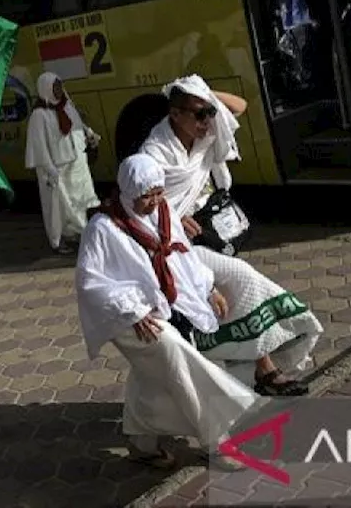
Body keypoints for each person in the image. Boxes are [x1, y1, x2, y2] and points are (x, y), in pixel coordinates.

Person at [77, 154, 260, 470]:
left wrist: (207, 287)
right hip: (129, 317)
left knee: (154, 372)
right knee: (178, 362)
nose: (153, 201)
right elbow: (90, 282)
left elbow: (183, 257)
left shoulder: (163, 212)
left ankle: (141, 442)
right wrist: (132, 311)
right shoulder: (103, 227)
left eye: (158, 192)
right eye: (145, 195)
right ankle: (216, 441)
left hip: (165, 304)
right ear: (128, 191)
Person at [142, 75, 322, 396]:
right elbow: (138, 202)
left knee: (233, 294)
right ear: (175, 114)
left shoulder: (203, 132)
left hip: (206, 232)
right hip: (171, 244)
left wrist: (203, 95)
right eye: (198, 114)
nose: (208, 121)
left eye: (210, 112)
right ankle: (254, 374)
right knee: (242, 279)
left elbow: (240, 106)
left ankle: (262, 371)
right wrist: (172, 216)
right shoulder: (155, 151)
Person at [25, 71, 101, 254]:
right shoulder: (39, 115)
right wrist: (49, 169)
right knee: (58, 207)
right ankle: (58, 241)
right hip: (57, 169)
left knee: (80, 202)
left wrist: (89, 134)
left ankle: (79, 234)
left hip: (77, 164)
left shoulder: (67, 106)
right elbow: (39, 145)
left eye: (60, 86)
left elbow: (78, 126)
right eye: (55, 86)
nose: (59, 90)